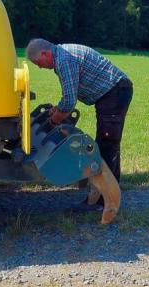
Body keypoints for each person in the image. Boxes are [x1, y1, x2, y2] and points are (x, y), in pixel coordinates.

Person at [26, 38, 133, 189]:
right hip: (113, 93)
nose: (40, 67)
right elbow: (69, 96)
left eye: (38, 63)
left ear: (45, 54)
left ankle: (104, 195)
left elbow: (70, 101)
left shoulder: (64, 60)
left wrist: (53, 121)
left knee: (106, 143)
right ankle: (111, 188)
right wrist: (58, 109)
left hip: (115, 93)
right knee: (109, 144)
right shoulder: (62, 55)